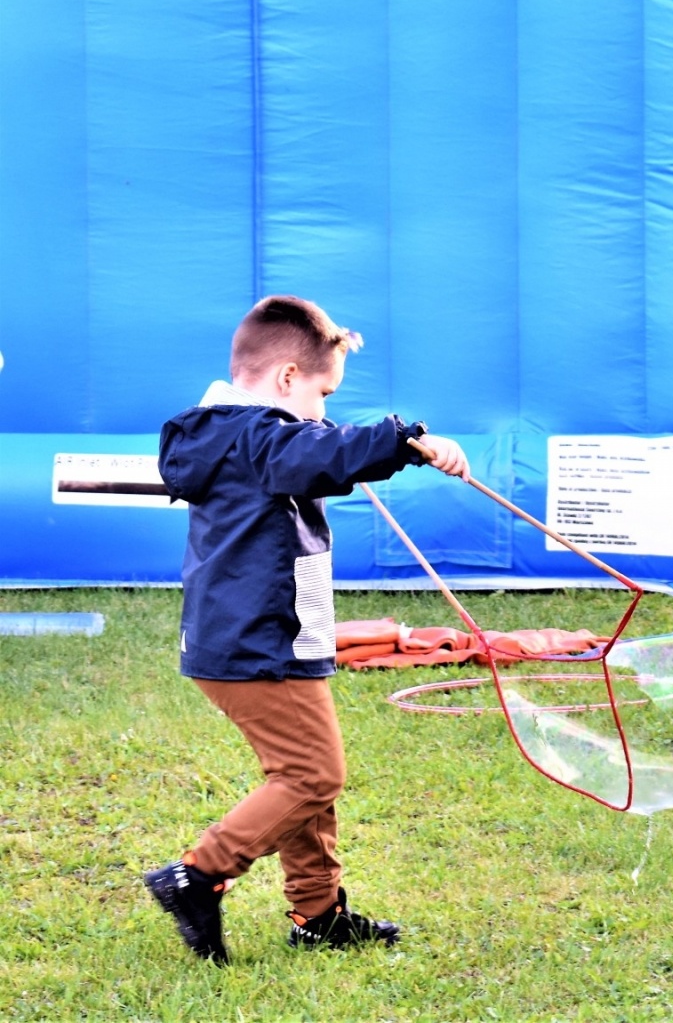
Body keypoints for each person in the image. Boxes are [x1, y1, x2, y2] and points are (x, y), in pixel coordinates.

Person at [144, 295, 470, 962]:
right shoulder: (255, 435)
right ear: (289, 378)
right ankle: (198, 873)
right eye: (323, 392)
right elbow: (318, 450)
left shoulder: (239, 434)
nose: (324, 409)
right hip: (256, 641)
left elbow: (313, 449)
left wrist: (359, 444)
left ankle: (318, 915)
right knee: (313, 775)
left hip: (272, 636)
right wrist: (407, 439)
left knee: (299, 780)